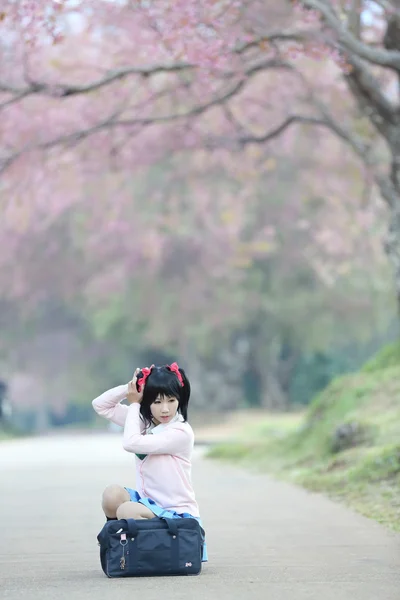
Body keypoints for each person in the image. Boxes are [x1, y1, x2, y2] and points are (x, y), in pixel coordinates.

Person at [92, 362, 207, 561]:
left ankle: (149, 551)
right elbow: (100, 405)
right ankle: (118, 545)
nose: (165, 409)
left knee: (126, 510)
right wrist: (132, 387)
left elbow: (131, 443)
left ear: (180, 399)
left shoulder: (180, 432)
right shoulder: (144, 421)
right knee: (112, 495)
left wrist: (134, 403)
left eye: (171, 400)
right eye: (156, 402)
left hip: (175, 514)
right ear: (147, 401)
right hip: (148, 505)